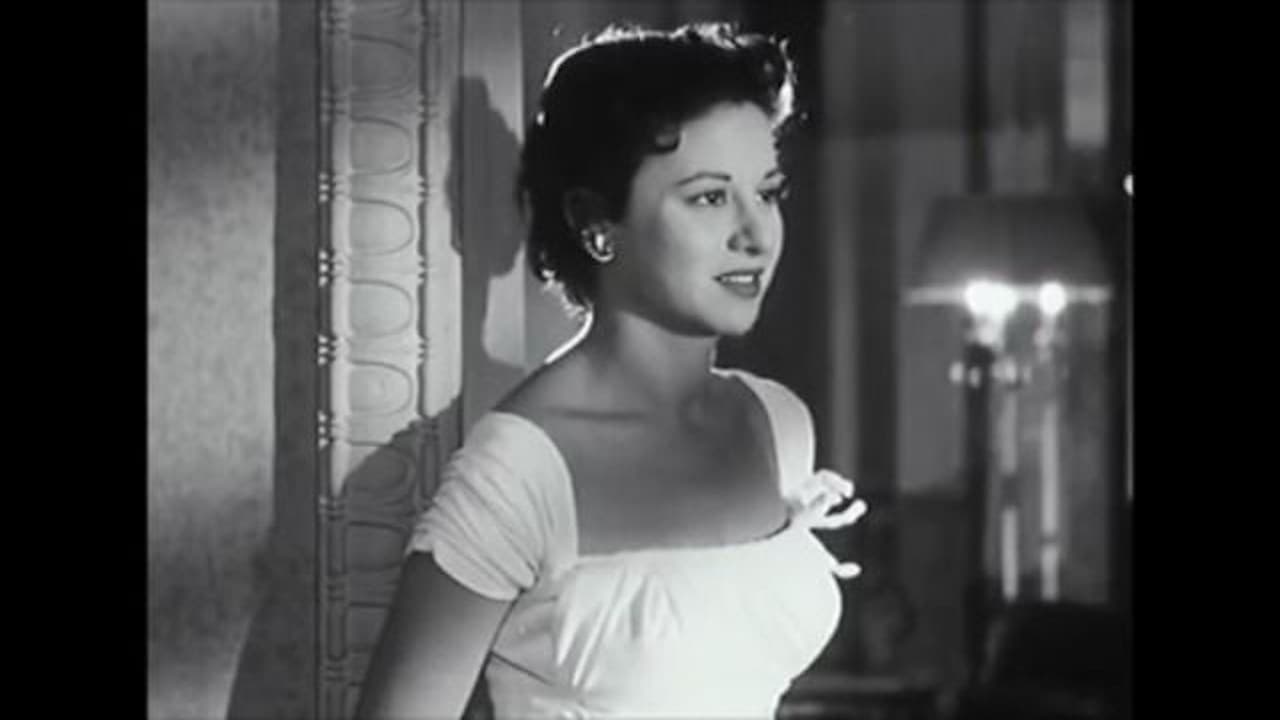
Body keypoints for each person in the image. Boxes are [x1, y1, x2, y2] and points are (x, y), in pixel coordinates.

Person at [355, 22, 866, 719]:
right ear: (597, 223)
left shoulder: (777, 423)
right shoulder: (521, 470)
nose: (756, 235)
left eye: (768, 193)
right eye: (710, 198)